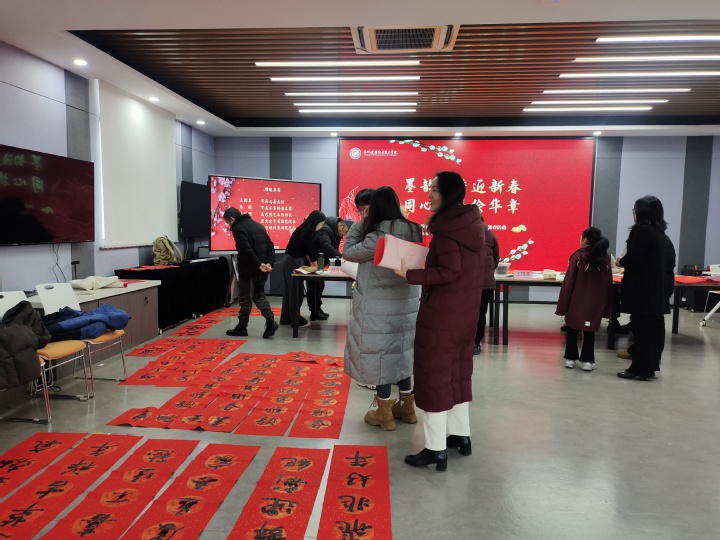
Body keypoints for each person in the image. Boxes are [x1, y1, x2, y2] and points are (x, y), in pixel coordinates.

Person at [394, 171, 485, 471]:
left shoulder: (447, 230)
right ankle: (461, 436)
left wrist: (409, 274)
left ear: (448, 193)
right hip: (465, 315)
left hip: (443, 316)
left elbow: (448, 271)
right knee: (456, 375)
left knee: (434, 376)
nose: (429, 194)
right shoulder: (471, 225)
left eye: (434, 189)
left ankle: (435, 449)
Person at [343, 187, 423, 431]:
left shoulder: (375, 234)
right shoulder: (414, 229)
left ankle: (384, 412)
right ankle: (407, 408)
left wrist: (362, 222)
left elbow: (349, 252)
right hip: (407, 303)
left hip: (378, 307)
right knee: (402, 353)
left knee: (381, 356)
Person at [616, 195, 668, 381]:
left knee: (642, 331)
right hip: (655, 289)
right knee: (651, 331)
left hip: (642, 291)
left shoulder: (643, 232)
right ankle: (648, 367)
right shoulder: (659, 233)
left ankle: (639, 368)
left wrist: (621, 261)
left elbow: (635, 258)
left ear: (640, 212)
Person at [555, 227, 612, 371]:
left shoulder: (578, 256)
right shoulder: (605, 258)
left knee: (573, 328)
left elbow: (569, 282)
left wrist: (563, 305)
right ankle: (588, 361)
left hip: (577, 300)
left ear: (585, 239)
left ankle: (570, 359)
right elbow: (608, 283)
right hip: (596, 302)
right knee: (589, 330)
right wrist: (606, 307)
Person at [223, 207, 277, 338]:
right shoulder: (258, 225)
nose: (229, 226)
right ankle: (270, 320)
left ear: (232, 219)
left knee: (245, 299)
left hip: (248, 269)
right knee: (259, 295)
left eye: (228, 222)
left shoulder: (238, 228)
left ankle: (242, 327)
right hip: (262, 268)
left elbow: (245, 250)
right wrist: (269, 263)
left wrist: (258, 264)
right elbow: (270, 246)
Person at [280, 210, 326, 327]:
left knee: (290, 292)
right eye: (321, 224)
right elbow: (311, 252)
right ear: (315, 222)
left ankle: (286, 318)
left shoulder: (302, 230)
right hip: (293, 261)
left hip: (290, 260)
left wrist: (312, 263)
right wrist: (316, 266)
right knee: (296, 292)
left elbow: (306, 251)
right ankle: (295, 319)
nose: (321, 227)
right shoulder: (307, 233)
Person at [306, 216, 350, 321]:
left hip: (320, 262)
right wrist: (341, 257)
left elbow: (332, 249)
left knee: (320, 285)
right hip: (313, 262)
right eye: (346, 231)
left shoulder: (334, 233)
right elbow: (325, 246)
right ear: (341, 226)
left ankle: (317, 308)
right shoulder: (326, 230)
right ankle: (314, 311)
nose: (345, 234)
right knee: (314, 286)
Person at [475, 212, 499, 354]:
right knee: (481, 313)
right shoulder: (491, 235)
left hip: (468, 283)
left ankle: (469, 342)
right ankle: (476, 343)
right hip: (486, 283)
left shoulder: (464, 234)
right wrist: (488, 272)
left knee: (467, 313)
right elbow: (496, 259)